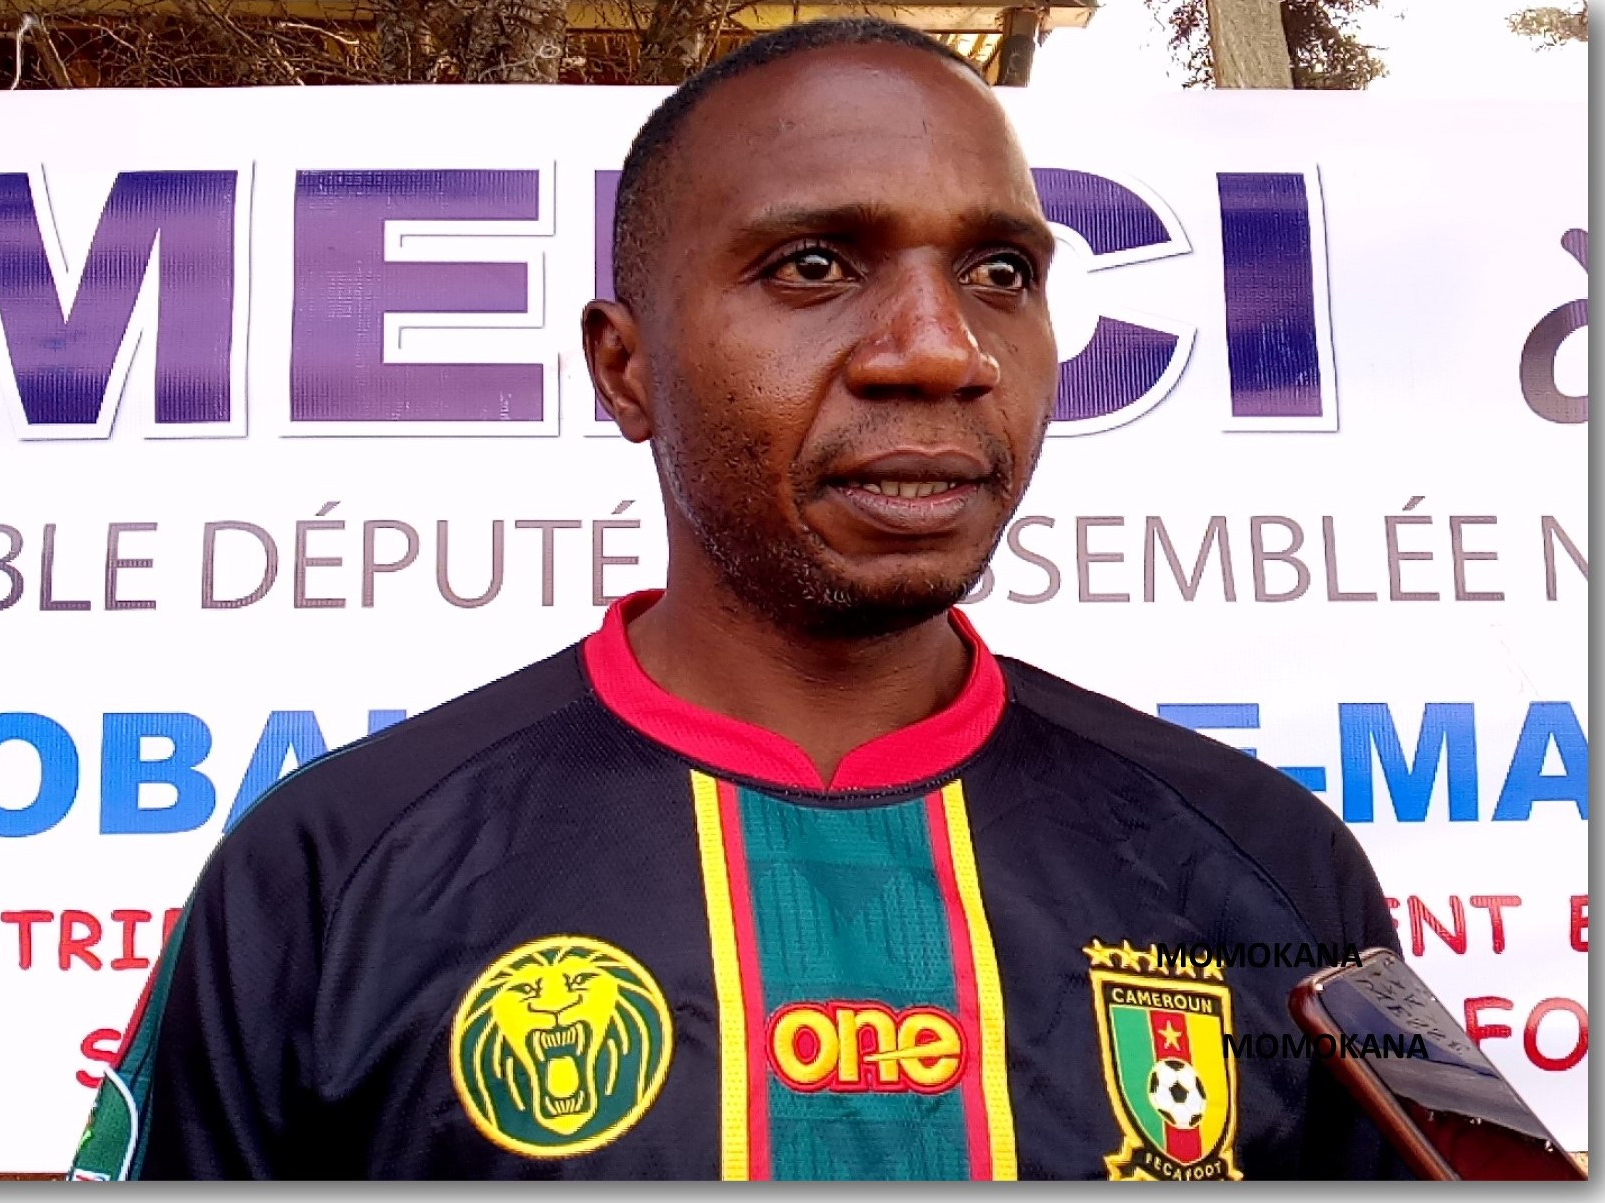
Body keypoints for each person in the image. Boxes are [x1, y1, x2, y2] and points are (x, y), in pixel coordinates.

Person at [69, 17, 1406, 1181]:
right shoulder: (326, 873)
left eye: (1001, 274)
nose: (941, 350)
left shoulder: (1277, 869)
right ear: (625, 368)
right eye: (815, 266)